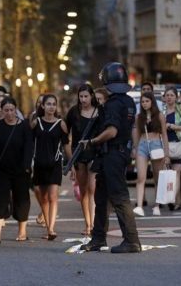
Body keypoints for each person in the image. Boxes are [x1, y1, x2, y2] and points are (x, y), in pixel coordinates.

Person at [80, 62, 141, 253]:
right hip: (115, 154)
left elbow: (112, 131)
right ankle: (98, 239)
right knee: (101, 198)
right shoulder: (128, 101)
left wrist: (93, 141)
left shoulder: (114, 103)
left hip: (113, 153)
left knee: (119, 198)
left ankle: (131, 240)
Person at [0, 97, 33, 244]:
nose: (9, 113)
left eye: (12, 110)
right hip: (1, 170)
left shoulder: (24, 126)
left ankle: (22, 231)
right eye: (6, 110)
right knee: (0, 200)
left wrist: (27, 166)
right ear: (1, 110)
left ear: (16, 110)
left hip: (20, 170)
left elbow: (29, 147)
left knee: (22, 201)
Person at [31, 94, 68, 240]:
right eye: (48, 104)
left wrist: (71, 163)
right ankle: (47, 226)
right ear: (43, 106)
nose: (51, 107)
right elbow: (29, 143)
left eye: (54, 104)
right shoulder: (36, 123)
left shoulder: (61, 124)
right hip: (39, 164)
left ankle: (51, 229)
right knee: (44, 198)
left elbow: (66, 144)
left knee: (53, 196)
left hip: (55, 164)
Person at [65, 84, 100, 236]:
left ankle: (94, 224)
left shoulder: (99, 111)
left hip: (95, 152)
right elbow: (65, 133)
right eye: (81, 96)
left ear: (92, 96)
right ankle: (88, 224)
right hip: (79, 154)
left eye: (86, 96)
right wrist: (69, 158)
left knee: (93, 188)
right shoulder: (73, 112)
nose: (84, 99)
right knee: (84, 191)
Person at [132, 92, 169, 217]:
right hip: (142, 145)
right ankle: (139, 206)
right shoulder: (138, 117)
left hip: (156, 145)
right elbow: (136, 134)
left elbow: (164, 135)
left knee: (157, 177)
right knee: (141, 177)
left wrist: (167, 154)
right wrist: (135, 149)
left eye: (147, 101)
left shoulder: (159, 116)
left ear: (152, 102)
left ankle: (157, 205)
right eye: (142, 102)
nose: (144, 104)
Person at [163, 87, 181, 209]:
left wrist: (173, 126)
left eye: (171, 95)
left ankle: (173, 200)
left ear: (176, 97)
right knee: (168, 174)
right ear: (164, 97)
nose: (169, 97)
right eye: (167, 95)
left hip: (178, 144)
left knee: (176, 174)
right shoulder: (160, 111)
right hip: (164, 145)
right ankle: (175, 200)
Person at [28, 94, 47, 227]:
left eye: (43, 102)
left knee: (47, 188)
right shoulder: (33, 117)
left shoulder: (54, 116)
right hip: (34, 156)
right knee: (36, 188)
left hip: (49, 156)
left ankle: (45, 213)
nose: (41, 105)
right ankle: (43, 209)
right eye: (39, 102)